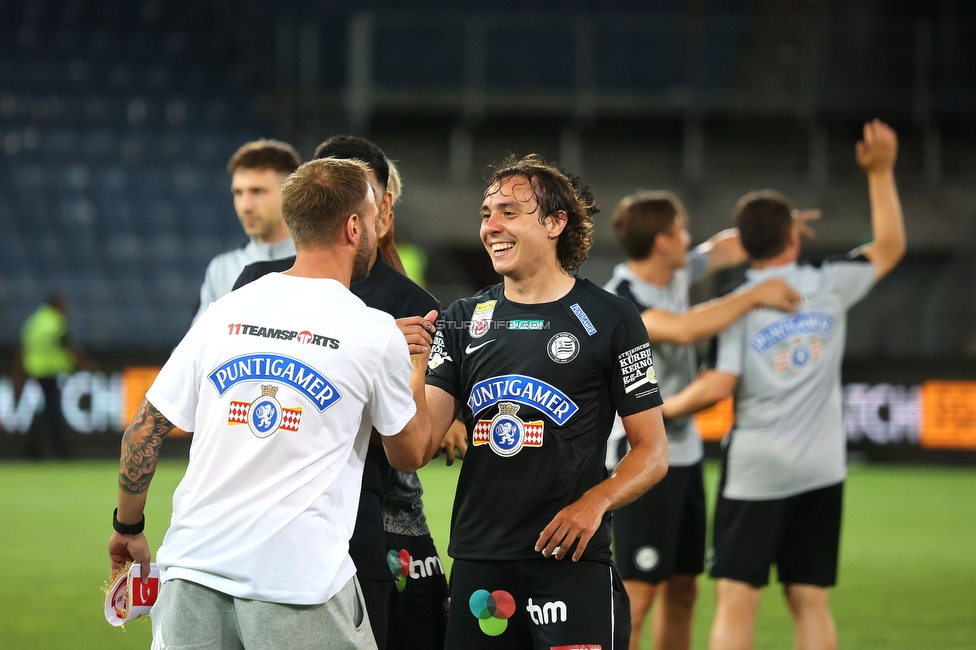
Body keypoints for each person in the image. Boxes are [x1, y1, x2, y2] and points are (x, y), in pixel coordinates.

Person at [108, 157, 436, 650]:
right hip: (298, 585)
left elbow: (143, 432)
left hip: (191, 570)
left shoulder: (226, 310)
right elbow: (408, 456)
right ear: (353, 227)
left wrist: (127, 527)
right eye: (370, 218)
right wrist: (415, 369)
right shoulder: (373, 332)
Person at [661, 120, 905, 650]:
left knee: (736, 597)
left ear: (747, 244)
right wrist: (881, 172)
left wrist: (661, 411)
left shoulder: (743, 298)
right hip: (823, 466)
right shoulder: (830, 282)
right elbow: (888, 245)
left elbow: (717, 387)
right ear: (795, 234)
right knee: (810, 599)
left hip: (757, 470)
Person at [423, 155, 669, 649]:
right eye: (486, 213)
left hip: (571, 563)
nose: (491, 226)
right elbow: (415, 447)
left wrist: (595, 502)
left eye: (509, 212)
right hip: (481, 562)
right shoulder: (461, 318)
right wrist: (411, 364)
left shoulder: (611, 319)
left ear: (557, 222)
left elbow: (652, 451)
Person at [235, 138, 451, 650]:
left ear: (380, 210)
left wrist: (407, 376)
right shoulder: (256, 285)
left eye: (364, 193)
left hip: (375, 518)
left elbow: (411, 442)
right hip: (264, 514)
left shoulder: (417, 307)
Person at [604, 191, 806, 650]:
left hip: (684, 455)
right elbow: (683, 329)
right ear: (662, 242)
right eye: (682, 231)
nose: (689, 239)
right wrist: (754, 295)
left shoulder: (677, 270)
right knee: (638, 592)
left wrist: (781, 227)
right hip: (638, 458)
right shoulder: (622, 299)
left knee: (684, 587)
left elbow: (726, 247)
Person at [191, 138, 301, 325]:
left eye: (257, 191)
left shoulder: (321, 265)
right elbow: (194, 351)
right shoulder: (221, 270)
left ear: (291, 193)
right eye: (238, 193)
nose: (245, 206)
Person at [15, 294, 93, 459]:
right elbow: (70, 346)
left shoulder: (34, 322)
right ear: (56, 305)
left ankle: (36, 449)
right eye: (63, 305)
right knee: (52, 410)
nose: (66, 309)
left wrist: (18, 373)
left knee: (47, 409)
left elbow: (23, 348)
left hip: (35, 370)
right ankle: (58, 449)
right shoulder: (57, 322)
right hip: (50, 372)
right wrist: (84, 364)